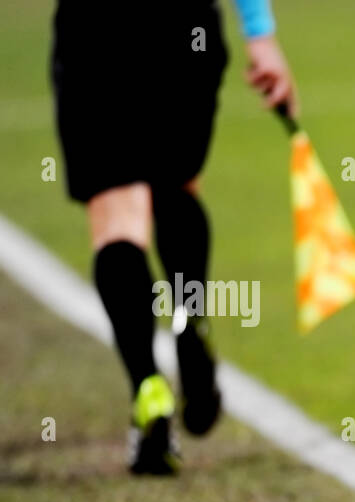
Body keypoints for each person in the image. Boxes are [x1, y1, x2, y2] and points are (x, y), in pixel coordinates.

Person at [51, 0, 297, 474]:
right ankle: (191, 316)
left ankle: (148, 388)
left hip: (95, 31)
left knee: (118, 212)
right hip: (183, 26)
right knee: (175, 185)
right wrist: (260, 34)